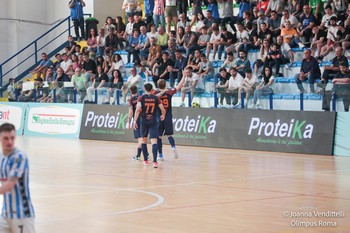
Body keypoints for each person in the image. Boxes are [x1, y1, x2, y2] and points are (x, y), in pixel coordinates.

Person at [0, 123, 35, 233]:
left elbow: (10, 184)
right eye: (6, 138)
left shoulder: (19, 157)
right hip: (5, 214)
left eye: (12, 138)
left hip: (22, 215)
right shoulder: (1, 158)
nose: (10, 142)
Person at [133, 83, 166, 168]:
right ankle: (155, 162)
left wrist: (134, 121)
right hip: (153, 121)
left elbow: (138, 110)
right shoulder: (156, 98)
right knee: (154, 141)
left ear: (144, 89)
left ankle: (145, 161)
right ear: (152, 90)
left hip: (144, 121)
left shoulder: (141, 98)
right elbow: (162, 109)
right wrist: (163, 115)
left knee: (144, 141)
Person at [155, 78, 185, 160]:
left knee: (159, 137)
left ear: (158, 85)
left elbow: (148, 90)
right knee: (169, 135)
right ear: (165, 84)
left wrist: (147, 77)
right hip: (168, 116)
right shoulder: (169, 92)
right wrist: (183, 76)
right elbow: (179, 86)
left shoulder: (155, 93)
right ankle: (173, 147)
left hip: (159, 117)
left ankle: (160, 155)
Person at [126, 86, 143, 161]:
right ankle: (147, 154)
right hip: (145, 119)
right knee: (143, 138)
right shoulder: (141, 97)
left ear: (130, 91)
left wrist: (128, 122)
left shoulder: (130, 100)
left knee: (140, 138)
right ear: (137, 90)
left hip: (137, 120)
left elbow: (130, 112)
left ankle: (138, 156)